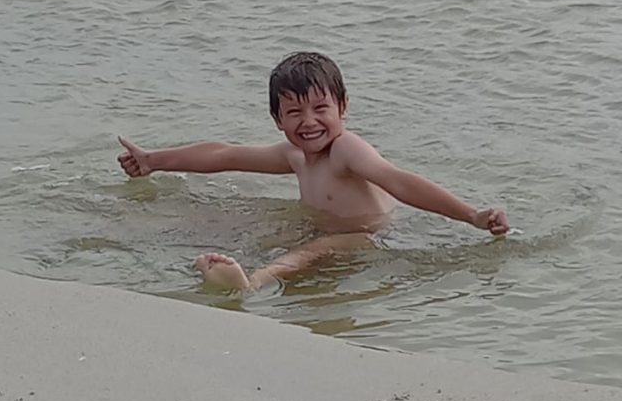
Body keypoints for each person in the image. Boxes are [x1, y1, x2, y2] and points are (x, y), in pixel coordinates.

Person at [117, 51, 509, 291]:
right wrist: (154, 160)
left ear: (343, 108)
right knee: (238, 219)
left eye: (321, 109)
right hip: (324, 225)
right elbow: (225, 155)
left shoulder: (346, 150)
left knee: (310, 251)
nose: (309, 122)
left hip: (366, 237)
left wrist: (470, 215)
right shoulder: (295, 155)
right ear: (277, 119)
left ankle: (252, 283)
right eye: (294, 112)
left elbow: (399, 181)